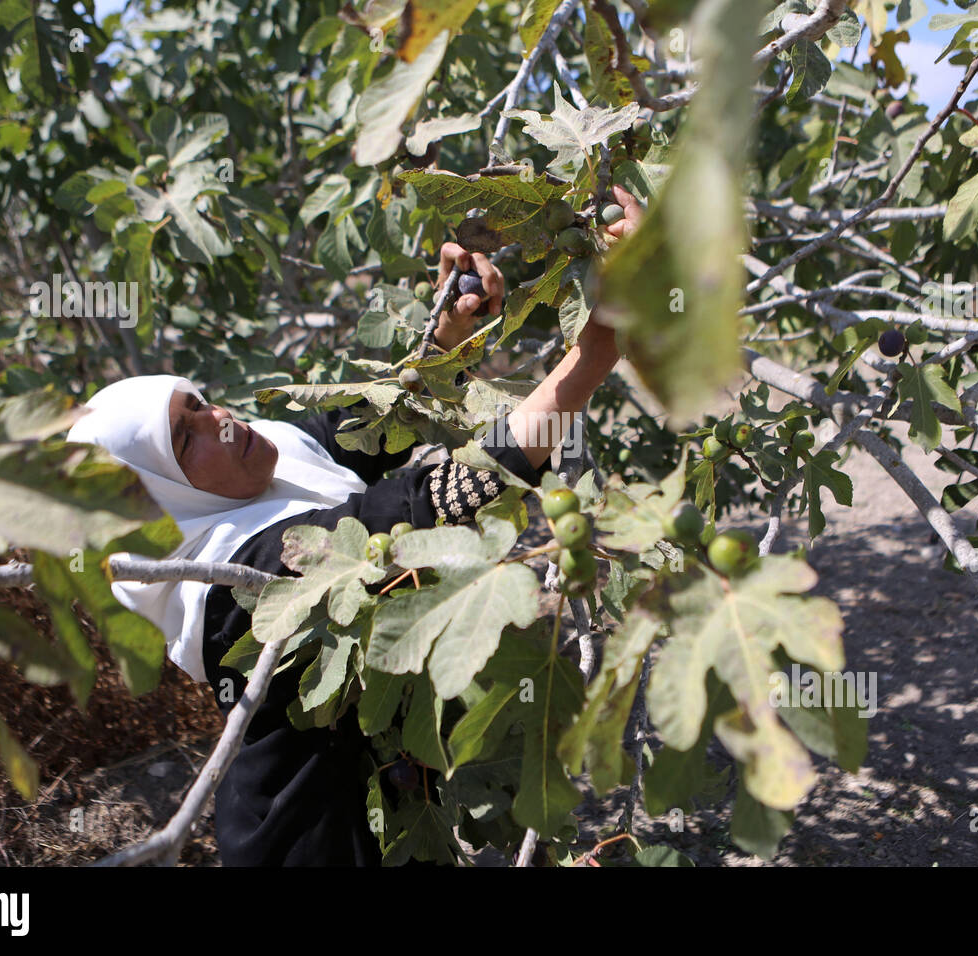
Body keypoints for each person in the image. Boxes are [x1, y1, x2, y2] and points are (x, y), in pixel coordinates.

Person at [65, 187, 643, 865]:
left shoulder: (276, 453)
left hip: (399, 800)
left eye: (199, 403)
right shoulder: (231, 589)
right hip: (309, 845)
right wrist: (596, 351)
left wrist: (449, 334)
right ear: (160, 503)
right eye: (187, 441)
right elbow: (431, 502)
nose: (221, 420)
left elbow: (376, 427)